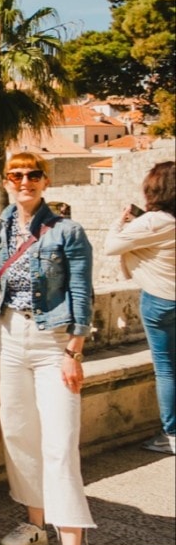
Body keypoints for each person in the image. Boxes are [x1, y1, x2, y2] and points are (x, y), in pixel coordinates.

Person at [0, 152, 97, 545]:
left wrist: (74, 350)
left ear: (45, 180)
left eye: (33, 174)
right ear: (6, 181)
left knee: (59, 443)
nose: (24, 181)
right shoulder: (2, 224)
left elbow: (81, 292)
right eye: (16, 175)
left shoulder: (68, 230)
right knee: (19, 434)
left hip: (54, 341)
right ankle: (36, 524)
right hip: (10, 335)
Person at [104, 161, 176, 456]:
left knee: (166, 369)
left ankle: (171, 434)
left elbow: (111, 246)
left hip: (159, 299)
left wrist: (120, 222)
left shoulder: (153, 222)